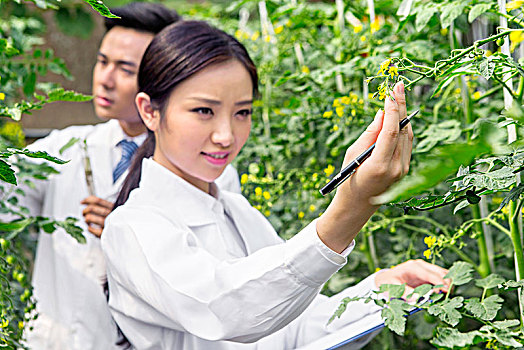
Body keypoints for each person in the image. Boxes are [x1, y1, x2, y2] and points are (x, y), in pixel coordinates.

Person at [101, 20, 449, 350]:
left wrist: (380, 293)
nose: (225, 136)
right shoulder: (132, 227)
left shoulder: (236, 212)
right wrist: (350, 209)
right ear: (149, 111)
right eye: (204, 111)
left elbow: (292, 326)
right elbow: (229, 310)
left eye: (242, 112)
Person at [13, 4, 241, 350]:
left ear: (163, 80)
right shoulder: (64, 148)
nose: (104, 78)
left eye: (125, 69)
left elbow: (214, 283)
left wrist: (132, 235)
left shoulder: (211, 170)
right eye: (103, 62)